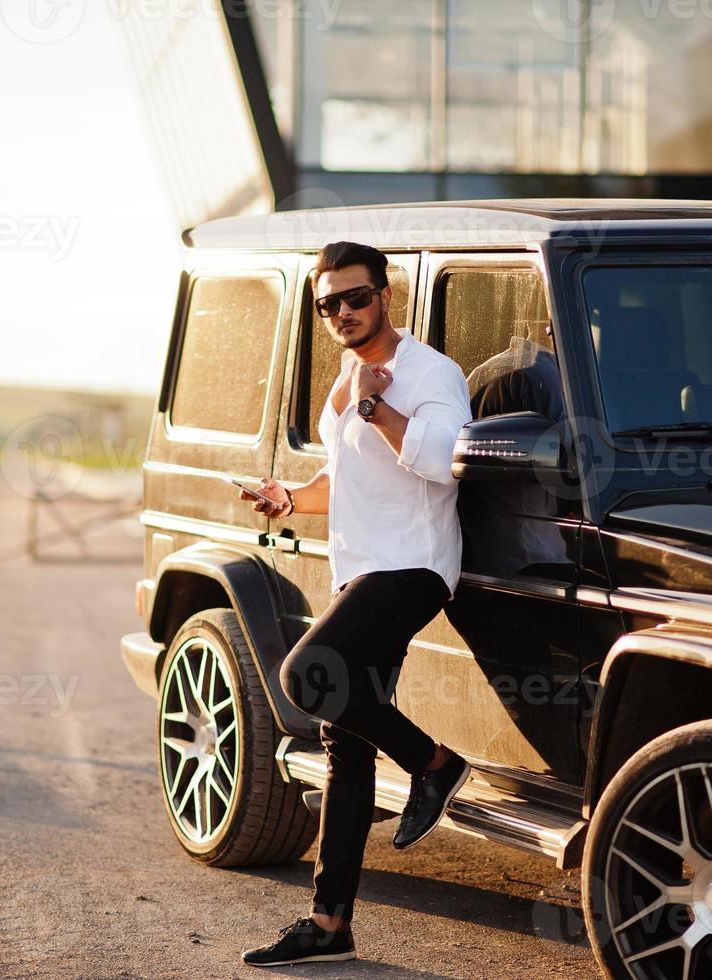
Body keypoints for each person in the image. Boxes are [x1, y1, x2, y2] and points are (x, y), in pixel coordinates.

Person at [239, 241, 473, 968]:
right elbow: (344, 480)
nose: (342, 312)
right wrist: (288, 500)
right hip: (360, 568)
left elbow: (442, 462)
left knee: (305, 676)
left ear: (385, 294)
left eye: (355, 297)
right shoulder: (347, 373)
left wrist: (374, 404)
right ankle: (329, 923)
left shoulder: (432, 374)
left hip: (411, 567)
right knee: (345, 741)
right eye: (327, 304)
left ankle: (433, 763)